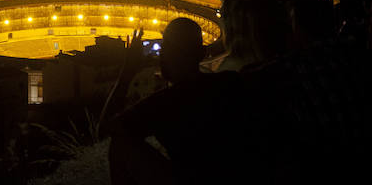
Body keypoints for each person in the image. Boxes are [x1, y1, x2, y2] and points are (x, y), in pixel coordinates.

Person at [108, 19, 264, 184]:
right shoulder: (229, 82)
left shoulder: (164, 103)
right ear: (202, 54)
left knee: (119, 146)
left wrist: (127, 73)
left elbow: (108, 128)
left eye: (168, 47)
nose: (163, 52)